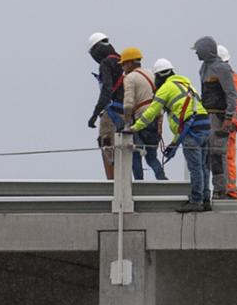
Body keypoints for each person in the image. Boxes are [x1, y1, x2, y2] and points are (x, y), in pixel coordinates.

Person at [127, 59, 212, 213]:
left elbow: (151, 113)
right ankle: (206, 200)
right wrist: (174, 143)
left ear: (159, 76)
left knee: (195, 167)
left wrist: (134, 128)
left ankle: (196, 201)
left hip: (192, 129)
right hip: (204, 125)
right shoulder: (187, 84)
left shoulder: (165, 88)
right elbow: (186, 117)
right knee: (204, 166)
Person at [192, 37, 237, 199]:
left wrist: (228, 118)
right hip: (206, 117)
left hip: (219, 117)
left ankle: (221, 189)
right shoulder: (204, 68)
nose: (196, 53)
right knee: (207, 155)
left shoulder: (221, 69)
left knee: (218, 154)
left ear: (205, 50)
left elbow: (232, 94)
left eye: (198, 50)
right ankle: (208, 190)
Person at [119, 47, 166, 181]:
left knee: (135, 153)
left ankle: (138, 184)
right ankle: (162, 179)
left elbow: (128, 103)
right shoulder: (151, 73)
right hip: (155, 119)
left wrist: (127, 124)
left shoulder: (129, 78)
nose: (122, 67)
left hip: (140, 120)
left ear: (130, 63)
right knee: (151, 156)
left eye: (123, 64)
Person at [86, 33, 124, 179]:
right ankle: (124, 182)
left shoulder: (106, 63)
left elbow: (107, 90)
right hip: (127, 113)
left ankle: (113, 185)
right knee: (123, 149)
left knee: (106, 144)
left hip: (113, 113)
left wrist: (95, 114)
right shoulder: (123, 60)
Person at [218, 44, 237, 197]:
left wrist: (231, 122)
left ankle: (230, 190)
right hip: (224, 122)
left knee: (227, 156)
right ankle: (225, 188)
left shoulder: (232, 78)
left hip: (228, 124)